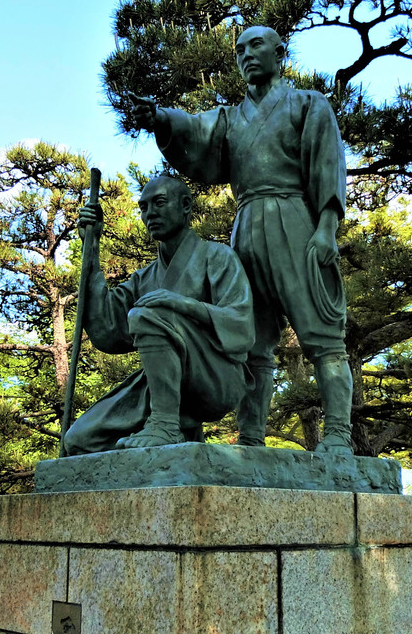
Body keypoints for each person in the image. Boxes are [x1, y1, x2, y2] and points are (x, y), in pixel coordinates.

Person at [128, 25, 353, 453]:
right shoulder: (231, 118)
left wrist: (326, 228)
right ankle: (251, 438)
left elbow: (328, 164)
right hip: (245, 225)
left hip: (295, 221)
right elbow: (194, 130)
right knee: (253, 341)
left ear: (279, 52)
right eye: (239, 50)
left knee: (322, 336)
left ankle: (339, 434)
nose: (247, 55)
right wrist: (160, 118)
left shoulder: (308, 104)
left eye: (256, 45)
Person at [62, 175, 255, 454]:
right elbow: (106, 325)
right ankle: (180, 441)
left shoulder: (217, 256)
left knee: (149, 313)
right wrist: (91, 248)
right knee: (80, 440)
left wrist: (179, 304)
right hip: (161, 386)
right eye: (143, 207)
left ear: (186, 205)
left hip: (216, 378)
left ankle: (165, 425)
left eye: (159, 203)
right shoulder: (145, 278)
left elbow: (242, 325)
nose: (150, 213)